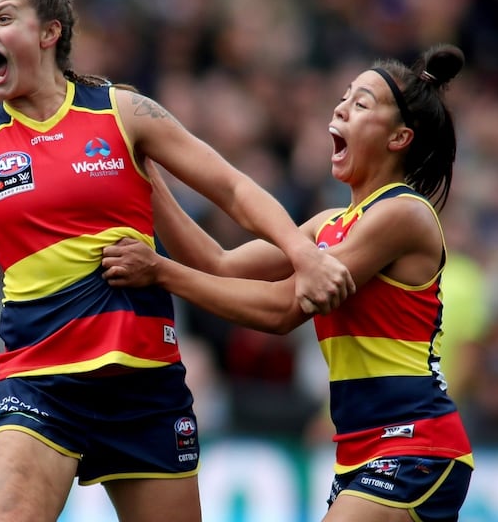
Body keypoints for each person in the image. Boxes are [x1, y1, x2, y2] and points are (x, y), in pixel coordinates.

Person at [0, 0, 353, 522]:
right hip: (39, 385)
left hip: (147, 388)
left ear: (49, 33)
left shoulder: (122, 111)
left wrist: (303, 254)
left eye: (2, 18)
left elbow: (234, 189)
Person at [102, 44, 474, 521]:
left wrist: (160, 271)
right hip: (361, 450)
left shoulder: (403, 214)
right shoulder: (328, 224)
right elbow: (219, 263)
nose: (340, 107)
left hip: (416, 444)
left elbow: (283, 311)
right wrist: (143, 163)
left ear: (399, 137)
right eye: (343, 98)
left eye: (360, 103)